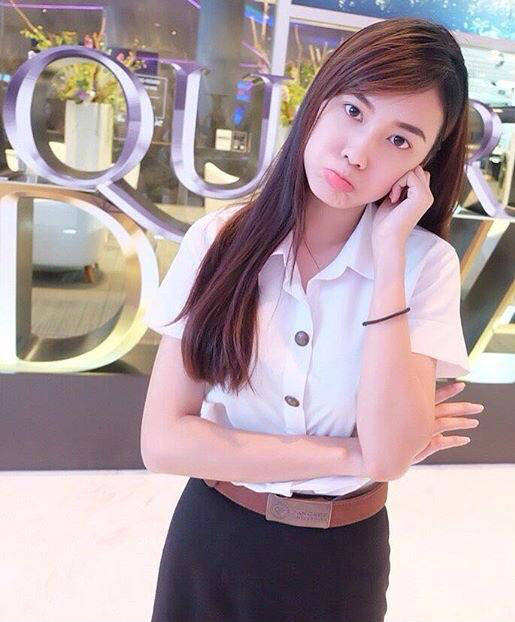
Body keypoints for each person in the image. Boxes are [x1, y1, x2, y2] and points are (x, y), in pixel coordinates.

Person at [140, 16, 485, 622]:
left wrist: (387, 259)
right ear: (319, 100)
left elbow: (388, 458)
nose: (358, 152)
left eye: (399, 141)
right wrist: (352, 454)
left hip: (341, 558)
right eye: (353, 110)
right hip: (213, 541)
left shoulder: (423, 264)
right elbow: (164, 442)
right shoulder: (218, 241)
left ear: (423, 165)